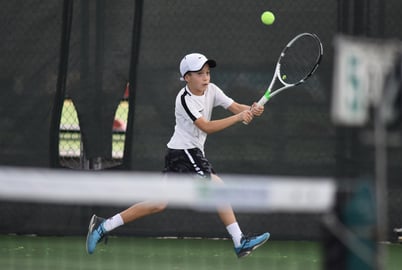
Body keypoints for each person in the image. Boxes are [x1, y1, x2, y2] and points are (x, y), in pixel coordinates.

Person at [86, 53, 270, 258]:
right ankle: (239, 241)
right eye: (200, 74)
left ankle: (103, 226)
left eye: (207, 73)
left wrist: (251, 109)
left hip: (180, 152)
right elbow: (206, 127)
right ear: (186, 77)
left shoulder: (212, 90)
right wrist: (238, 118)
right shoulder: (184, 99)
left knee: (157, 203)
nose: (206, 77)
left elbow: (235, 107)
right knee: (218, 187)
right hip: (184, 152)